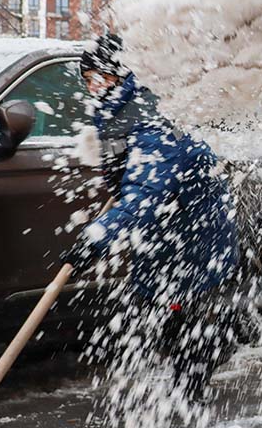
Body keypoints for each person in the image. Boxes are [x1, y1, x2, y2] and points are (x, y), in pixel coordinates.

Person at [64, 34, 240, 400]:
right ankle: (192, 373)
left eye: (97, 77)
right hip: (164, 231)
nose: (92, 86)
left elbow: (146, 194)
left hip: (193, 230)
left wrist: (98, 236)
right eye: (87, 80)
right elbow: (127, 174)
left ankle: (195, 383)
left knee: (182, 314)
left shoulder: (148, 118)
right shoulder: (115, 110)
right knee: (161, 309)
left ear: (117, 75)